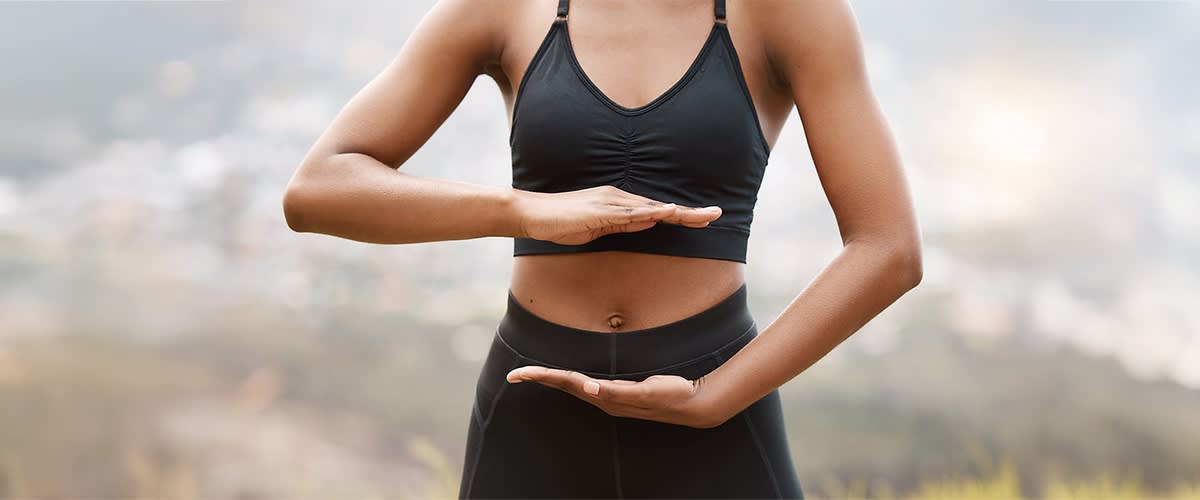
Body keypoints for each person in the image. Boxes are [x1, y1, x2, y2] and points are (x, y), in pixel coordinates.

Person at [282, 0, 921, 497]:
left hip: (715, 401)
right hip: (532, 402)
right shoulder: (506, 8)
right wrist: (526, 209)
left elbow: (888, 247)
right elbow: (318, 189)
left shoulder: (787, 12)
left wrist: (718, 396)